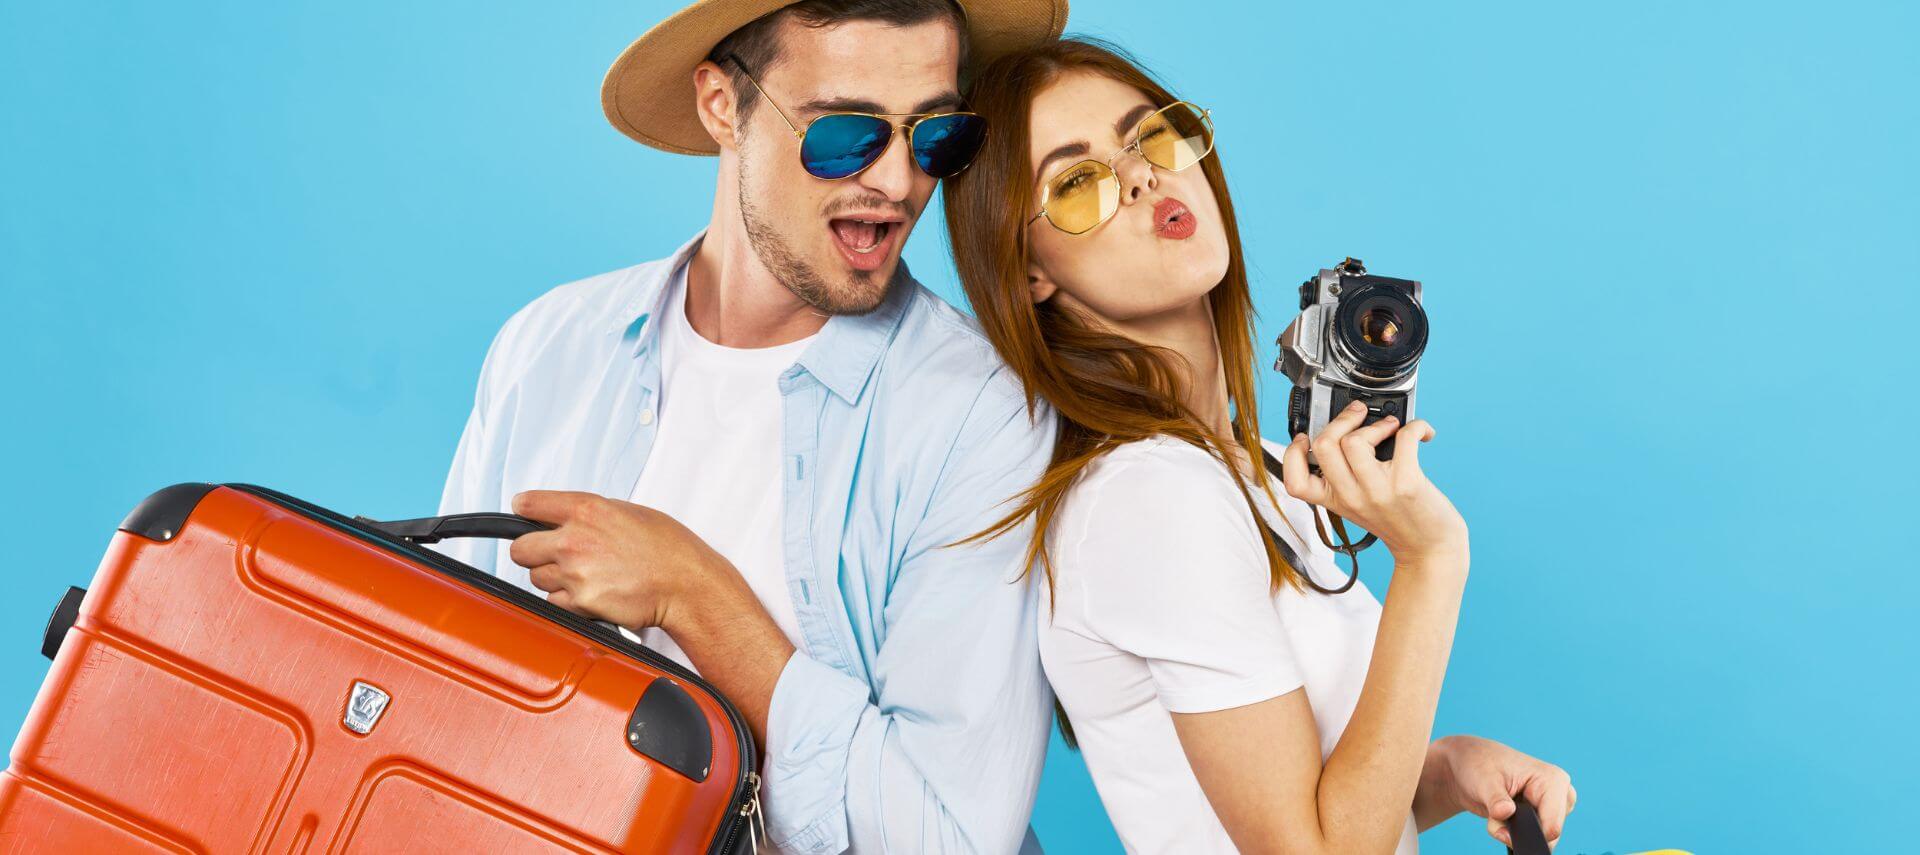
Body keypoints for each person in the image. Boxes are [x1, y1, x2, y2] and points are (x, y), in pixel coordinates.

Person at [431, 2, 1069, 852]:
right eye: (844, 134)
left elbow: (946, 837)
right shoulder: (548, 347)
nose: (897, 182)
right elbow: (442, 694)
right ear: (720, 107)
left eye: (934, 138)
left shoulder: (980, 416)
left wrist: (696, 595)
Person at [943, 38, 1577, 854]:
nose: (1142, 176)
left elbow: (1320, 803)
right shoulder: (1150, 495)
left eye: (1151, 137)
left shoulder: (1262, 465)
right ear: (1029, 270)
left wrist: (1446, 771)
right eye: (1075, 181)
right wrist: (1431, 560)